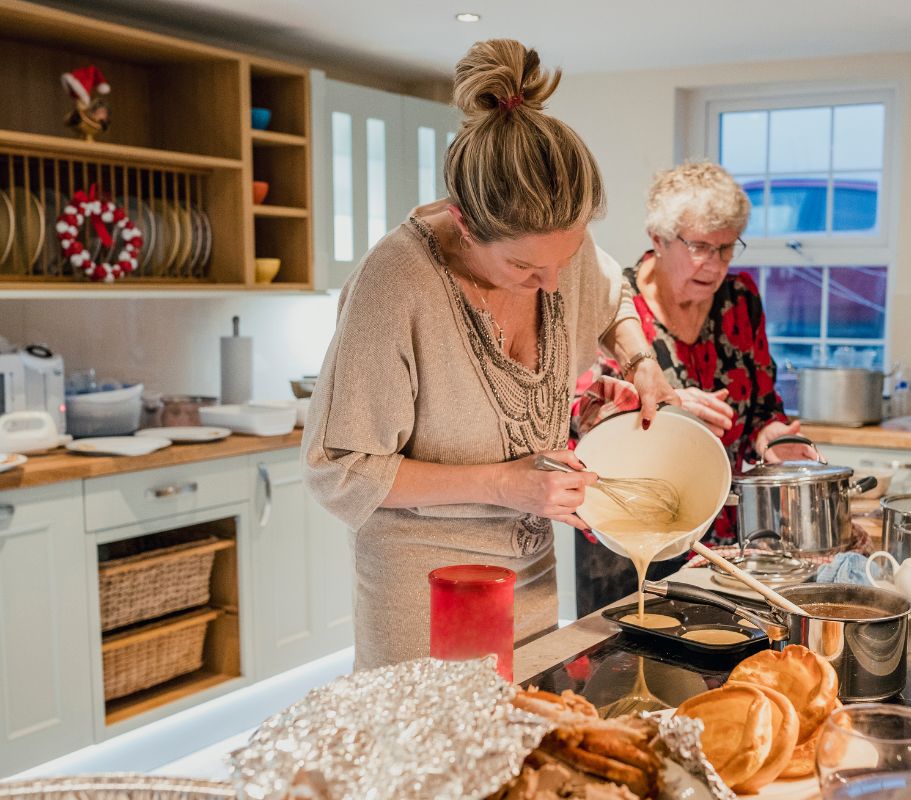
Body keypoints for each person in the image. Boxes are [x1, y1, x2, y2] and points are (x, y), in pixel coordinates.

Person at [302, 39, 676, 669]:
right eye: (525, 266)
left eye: (565, 258)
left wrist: (641, 363)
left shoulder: (561, 252)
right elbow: (337, 469)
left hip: (531, 580)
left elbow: (611, 297)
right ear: (465, 224)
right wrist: (506, 483)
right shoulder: (397, 285)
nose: (552, 285)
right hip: (425, 598)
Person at [574, 161, 817, 614]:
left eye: (728, 248)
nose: (717, 264)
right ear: (659, 239)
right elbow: (582, 420)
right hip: (628, 537)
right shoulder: (613, 308)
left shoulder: (740, 299)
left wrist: (773, 436)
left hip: (722, 538)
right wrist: (669, 414)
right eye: (701, 246)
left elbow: (763, 403)